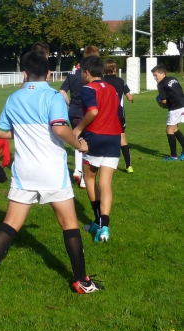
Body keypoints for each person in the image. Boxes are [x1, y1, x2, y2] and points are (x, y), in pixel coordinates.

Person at [0, 50, 102, 295]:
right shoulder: (54, 97)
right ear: (49, 73)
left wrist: (22, 132)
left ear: (24, 73)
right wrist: (78, 144)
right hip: (52, 171)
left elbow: (0, 132)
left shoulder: (14, 98)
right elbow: (59, 129)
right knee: (69, 225)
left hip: (24, 172)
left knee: (10, 223)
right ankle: (81, 281)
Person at [72, 55, 121, 243]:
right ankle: (104, 227)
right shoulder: (112, 88)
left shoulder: (87, 88)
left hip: (95, 137)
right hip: (114, 137)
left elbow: (93, 111)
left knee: (90, 178)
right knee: (106, 183)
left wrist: (78, 129)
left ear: (86, 72)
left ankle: (98, 221)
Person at [59, 45, 100, 189]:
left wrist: (70, 103)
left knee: (78, 139)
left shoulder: (73, 71)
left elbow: (62, 91)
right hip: (87, 110)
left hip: (73, 111)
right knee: (88, 143)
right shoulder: (93, 73)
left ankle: (77, 170)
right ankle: (83, 175)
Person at [103, 59, 135, 172]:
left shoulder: (101, 81)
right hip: (119, 114)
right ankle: (128, 166)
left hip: (105, 114)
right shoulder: (121, 81)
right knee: (122, 139)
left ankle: (110, 164)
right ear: (115, 69)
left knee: (106, 138)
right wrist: (132, 99)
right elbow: (129, 97)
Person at [151, 64, 184, 161]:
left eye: (156, 75)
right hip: (182, 104)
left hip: (175, 108)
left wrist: (161, 104)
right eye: (154, 75)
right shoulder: (174, 79)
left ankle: (173, 155)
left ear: (163, 74)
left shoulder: (161, 84)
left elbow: (164, 101)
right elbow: (179, 91)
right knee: (174, 129)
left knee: (169, 130)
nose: (155, 78)